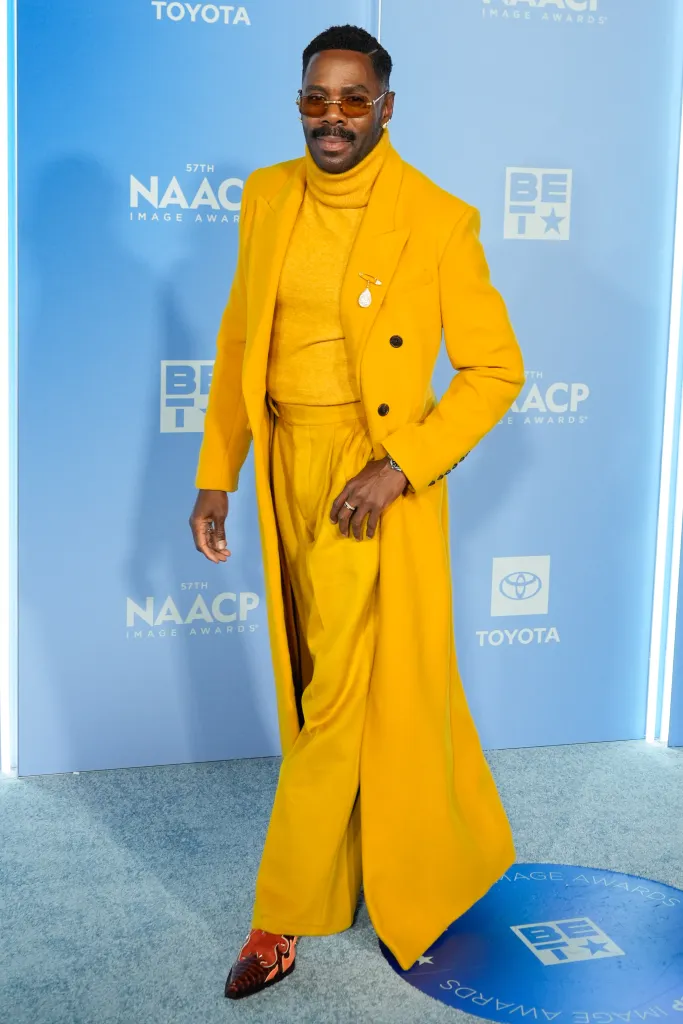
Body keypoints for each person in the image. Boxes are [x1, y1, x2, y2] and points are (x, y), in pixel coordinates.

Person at [189, 23, 524, 1001]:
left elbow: (493, 370)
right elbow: (241, 335)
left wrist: (401, 466)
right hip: (284, 464)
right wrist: (219, 471)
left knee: (333, 700)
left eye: (350, 98)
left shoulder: (436, 217)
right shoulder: (266, 194)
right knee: (313, 690)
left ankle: (277, 916)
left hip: (362, 485)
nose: (329, 118)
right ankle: (379, 870)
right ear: (298, 101)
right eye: (313, 97)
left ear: (385, 105)